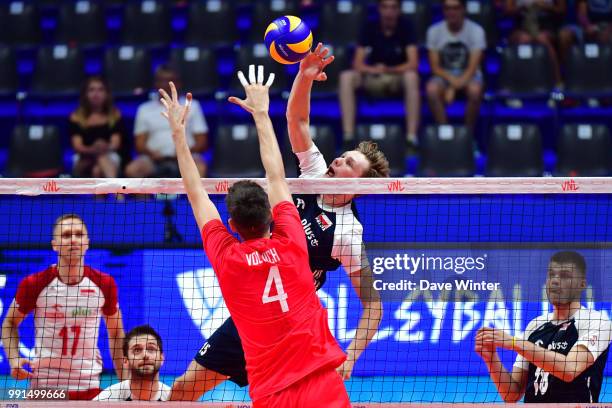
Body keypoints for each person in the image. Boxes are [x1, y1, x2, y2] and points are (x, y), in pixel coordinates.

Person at [170, 46, 389, 402]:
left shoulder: (348, 232)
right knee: (183, 390)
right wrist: (304, 77)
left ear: (360, 184)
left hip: (293, 328)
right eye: (343, 155)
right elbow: (297, 122)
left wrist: (351, 355)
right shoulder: (315, 173)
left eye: (349, 162)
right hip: (253, 319)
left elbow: (373, 304)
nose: (338, 159)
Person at [1, 214, 125, 400]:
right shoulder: (34, 283)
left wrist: (126, 383)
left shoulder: (105, 284)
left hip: (89, 386)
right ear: (55, 244)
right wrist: (14, 359)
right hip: (46, 387)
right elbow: (9, 323)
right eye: (66, 235)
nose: (73, 239)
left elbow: (116, 333)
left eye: (79, 234)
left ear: (87, 242)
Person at [475, 251, 612, 403]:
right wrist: (491, 358)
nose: (555, 281)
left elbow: (569, 369)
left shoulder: (597, 322)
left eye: (565, 276)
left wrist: (513, 343)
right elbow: (511, 394)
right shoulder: (535, 325)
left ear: (582, 284)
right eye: (551, 274)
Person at [339, 0, 420, 149]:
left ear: (399, 10)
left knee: (412, 77)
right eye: (385, 7)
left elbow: (413, 63)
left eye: (393, 7)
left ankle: (411, 138)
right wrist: (374, 70)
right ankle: (348, 136)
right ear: (379, 9)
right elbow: (357, 63)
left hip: (396, 78)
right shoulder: (369, 27)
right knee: (346, 77)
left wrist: (389, 70)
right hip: (373, 77)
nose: (389, 12)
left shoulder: (406, 27)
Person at [125, 64, 209, 178]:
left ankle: (195, 196)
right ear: (155, 84)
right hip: (153, 158)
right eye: (161, 81)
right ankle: (142, 197)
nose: (165, 85)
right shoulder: (144, 109)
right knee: (133, 170)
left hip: (187, 155)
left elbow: (202, 141)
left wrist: (182, 151)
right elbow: (139, 144)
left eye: (170, 81)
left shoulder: (192, 105)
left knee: (200, 168)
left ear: (178, 83)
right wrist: (152, 154)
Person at [425, 0, 486, 131]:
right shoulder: (434, 31)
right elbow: (435, 68)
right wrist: (452, 82)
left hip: (469, 75)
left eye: (455, 8)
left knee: (475, 91)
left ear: (463, 9)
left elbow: (472, 68)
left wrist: (452, 88)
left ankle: (467, 135)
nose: (451, 12)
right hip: (444, 75)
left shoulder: (477, 31)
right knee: (431, 90)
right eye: (447, 8)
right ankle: (445, 132)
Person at [94, 325, 170, 401]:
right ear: (126, 360)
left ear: (161, 358)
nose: (145, 355)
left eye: (151, 349)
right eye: (137, 350)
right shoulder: (106, 399)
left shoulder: (172, 398)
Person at [69, 76, 124, 178]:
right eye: (91, 90)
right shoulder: (76, 116)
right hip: (83, 157)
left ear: (107, 94)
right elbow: (78, 146)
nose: (96, 94)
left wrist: (104, 147)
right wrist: (93, 149)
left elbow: (115, 144)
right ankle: (118, 192)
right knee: (99, 156)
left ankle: (112, 192)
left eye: (100, 90)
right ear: (85, 94)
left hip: (108, 154)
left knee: (97, 170)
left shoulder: (114, 114)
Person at [505, 0, 566, 85]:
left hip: (547, 25)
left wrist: (545, 7)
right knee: (522, 39)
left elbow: (561, 10)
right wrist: (522, 7)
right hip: (522, 25)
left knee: (544, 40)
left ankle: (557, 81)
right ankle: (514, 84)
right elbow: (507, 10)